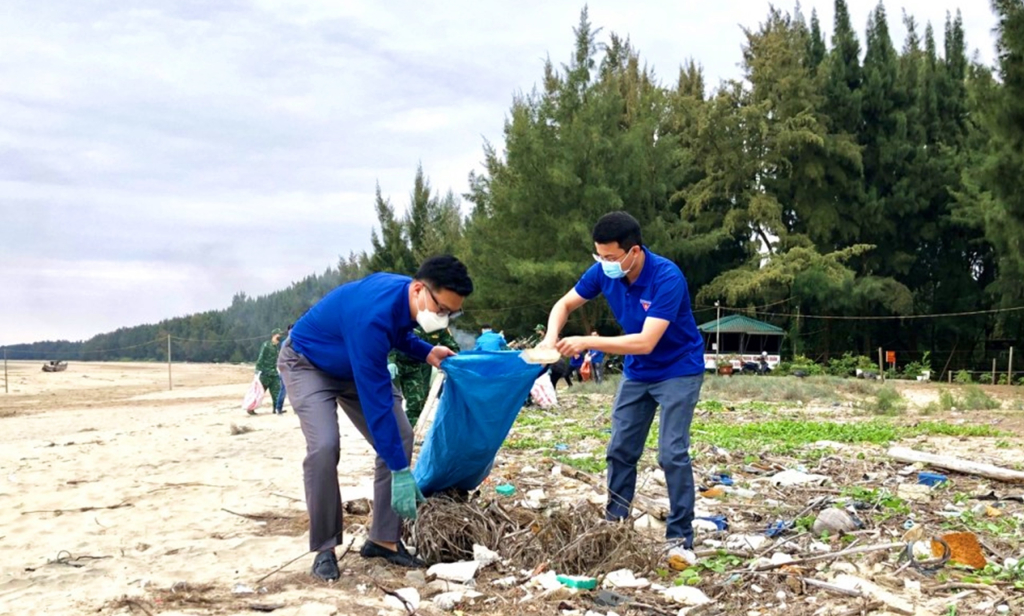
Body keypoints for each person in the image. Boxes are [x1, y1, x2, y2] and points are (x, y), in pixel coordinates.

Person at [277, 255, 473, 580]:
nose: (445, 318)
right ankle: (324, 548)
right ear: (419, 290)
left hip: (353, 362)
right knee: (325, 446)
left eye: (452, 313)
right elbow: (376, 401)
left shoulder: (404, 297)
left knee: (402, 435)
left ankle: (383, 539)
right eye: (442, 310)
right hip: (307, 364)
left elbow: (395, 334)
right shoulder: (371, 316)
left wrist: (426, 351)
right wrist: (399, 470)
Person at [539, 211, 705, 566]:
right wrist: (551, 339)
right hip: (638, 373)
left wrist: (586, 341)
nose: (605, 264)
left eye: (612, 258)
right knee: (620, 448)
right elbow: (564, 304)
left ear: (635, 251)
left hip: (678, 368)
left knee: (671, 453)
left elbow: (646, 341)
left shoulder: (666, 277)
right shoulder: (602, 271)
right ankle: (615, 522)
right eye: (599, 256)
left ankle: (680, 536)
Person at [389, 325, 460, 427]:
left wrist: (457, 360)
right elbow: (391, 338)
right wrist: (390, 360)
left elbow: (452, 346)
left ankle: (408, 434)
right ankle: (388, 432)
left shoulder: (439, 327)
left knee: (418, 402)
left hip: (417, 366)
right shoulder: (410, 319)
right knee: (392, 401)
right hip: (395, 364)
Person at [253, 328, 285, 415]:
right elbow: (261, 357)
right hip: (265, 373)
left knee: (277, 391)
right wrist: (257, 369)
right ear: (274, 335)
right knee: (260, 392)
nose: (280, 336)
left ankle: (276, 409)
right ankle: (251, 408)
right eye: (279, 334)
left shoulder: (277, 347)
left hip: (274, 373)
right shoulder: (266, 345)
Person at [275, 324, 294, 413]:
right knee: (284, 389)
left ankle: (295, 409)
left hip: (290, 368)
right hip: (286, 368)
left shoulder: (289, 341)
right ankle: (278, 408)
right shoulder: (287, 342)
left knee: (292, 389)